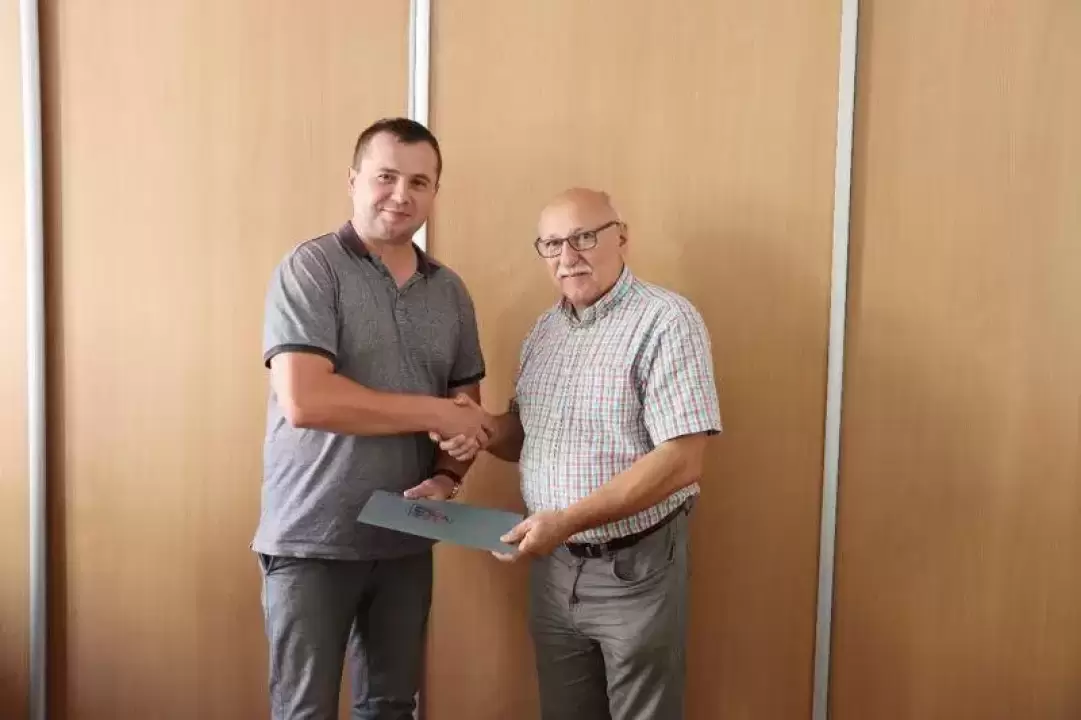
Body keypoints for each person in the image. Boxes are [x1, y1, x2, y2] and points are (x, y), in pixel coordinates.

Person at [437, 188, 722, 720]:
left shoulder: (666, 320)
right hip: (553, 567)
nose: (567, 257)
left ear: (621, 237)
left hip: (636, 569)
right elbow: (526, 435)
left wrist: (565, 521)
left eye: (584, 238)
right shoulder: (544, 332)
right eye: (551, 244)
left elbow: (682, 460)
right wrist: (482, 430)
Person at [253, 117, 492, 720]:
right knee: (303, 712)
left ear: (435, 193)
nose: (401, 194)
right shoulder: (311, 268)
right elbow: (307, 400)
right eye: (386, 177)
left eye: (419, 182)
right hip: (311, 537)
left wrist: (448, 475)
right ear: (353, 180)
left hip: (405, 534)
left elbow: (465, 405)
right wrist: (436, 412)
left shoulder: (450, 291)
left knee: (390, 707)